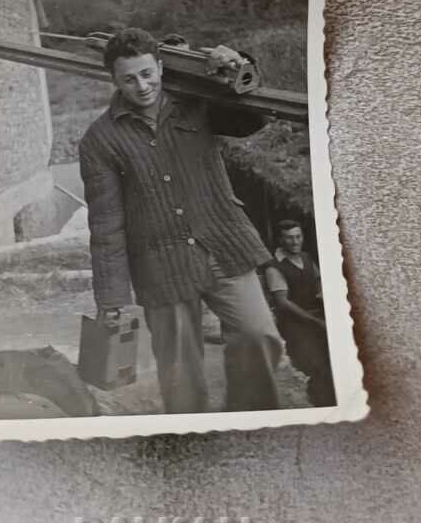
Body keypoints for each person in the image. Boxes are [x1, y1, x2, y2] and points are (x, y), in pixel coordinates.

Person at [78, 27, 285, 413]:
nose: (141, 86)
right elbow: (106, 224)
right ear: (114, 80)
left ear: (159, 66)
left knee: (259, 335)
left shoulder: (196, 103)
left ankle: (253, 419)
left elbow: (250, 120)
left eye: (146, 73)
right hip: (160, 262)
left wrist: (240, 65)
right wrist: (111, 298)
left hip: (223, 244)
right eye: (129, 79)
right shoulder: (99, 141)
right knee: (180, 371)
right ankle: (193, 439)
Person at [263, 219, 336, 407]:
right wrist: (314, 321)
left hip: (317, 317)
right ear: (280, 240)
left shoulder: (306, 257)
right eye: (289, 238)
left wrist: (324, 297)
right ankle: (322, 406)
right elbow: (283, 303)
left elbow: (319, 282)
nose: (295, 242)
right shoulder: (274, 267)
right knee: (317, 366)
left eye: (298, 236)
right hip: (295, 324)